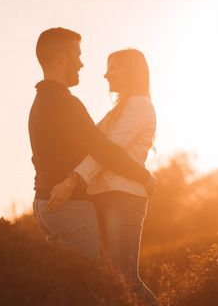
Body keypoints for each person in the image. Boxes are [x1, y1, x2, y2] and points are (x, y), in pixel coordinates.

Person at [48, 48, 168, 306]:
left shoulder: (139, 106)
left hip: (124, 198)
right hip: (105, 197)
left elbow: (106, 152)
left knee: (125, 276)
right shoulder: (119, 110)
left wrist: (72, 181)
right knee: (111, 277)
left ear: (130, 71)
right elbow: (91, 145)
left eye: (112, 68)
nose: (105, 74)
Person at [28, 28, 157, 261]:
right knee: (94, 281)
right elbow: (104, 149)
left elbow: (102, 145)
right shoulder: (67, 104)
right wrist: (144, 176)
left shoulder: (40, 103)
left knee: (82, 281)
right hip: (68, 204)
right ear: (61, 58)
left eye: (113, 69)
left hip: (45, 201)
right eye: (77, 55)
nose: (81, 64)